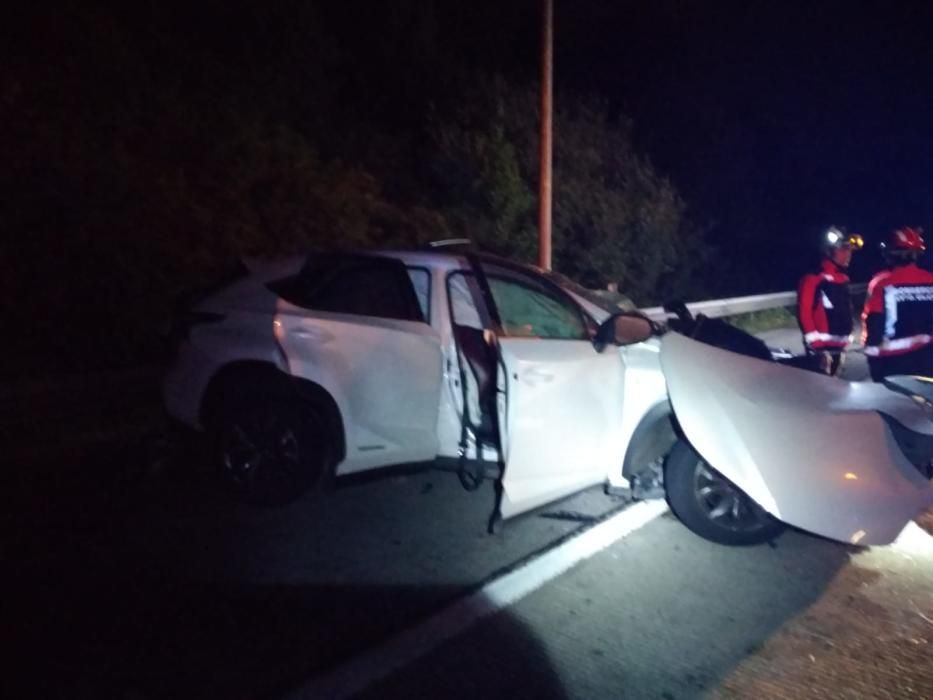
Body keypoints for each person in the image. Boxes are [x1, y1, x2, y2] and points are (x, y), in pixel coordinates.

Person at [861, 226, 933, 381]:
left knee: (893, 404)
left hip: (892, 363)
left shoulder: (882, 282)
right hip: (927, 358)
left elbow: (874, 322)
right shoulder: (930, 280)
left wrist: (872, 356)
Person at [797, 227, 863, 375]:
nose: (848, 254)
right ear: (829, 251)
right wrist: (818, 348)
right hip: (821, 351)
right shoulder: (813, 278)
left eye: (850, 250)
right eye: (844, 249)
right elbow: (804, 313)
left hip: (839, 349)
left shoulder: (843, 279)